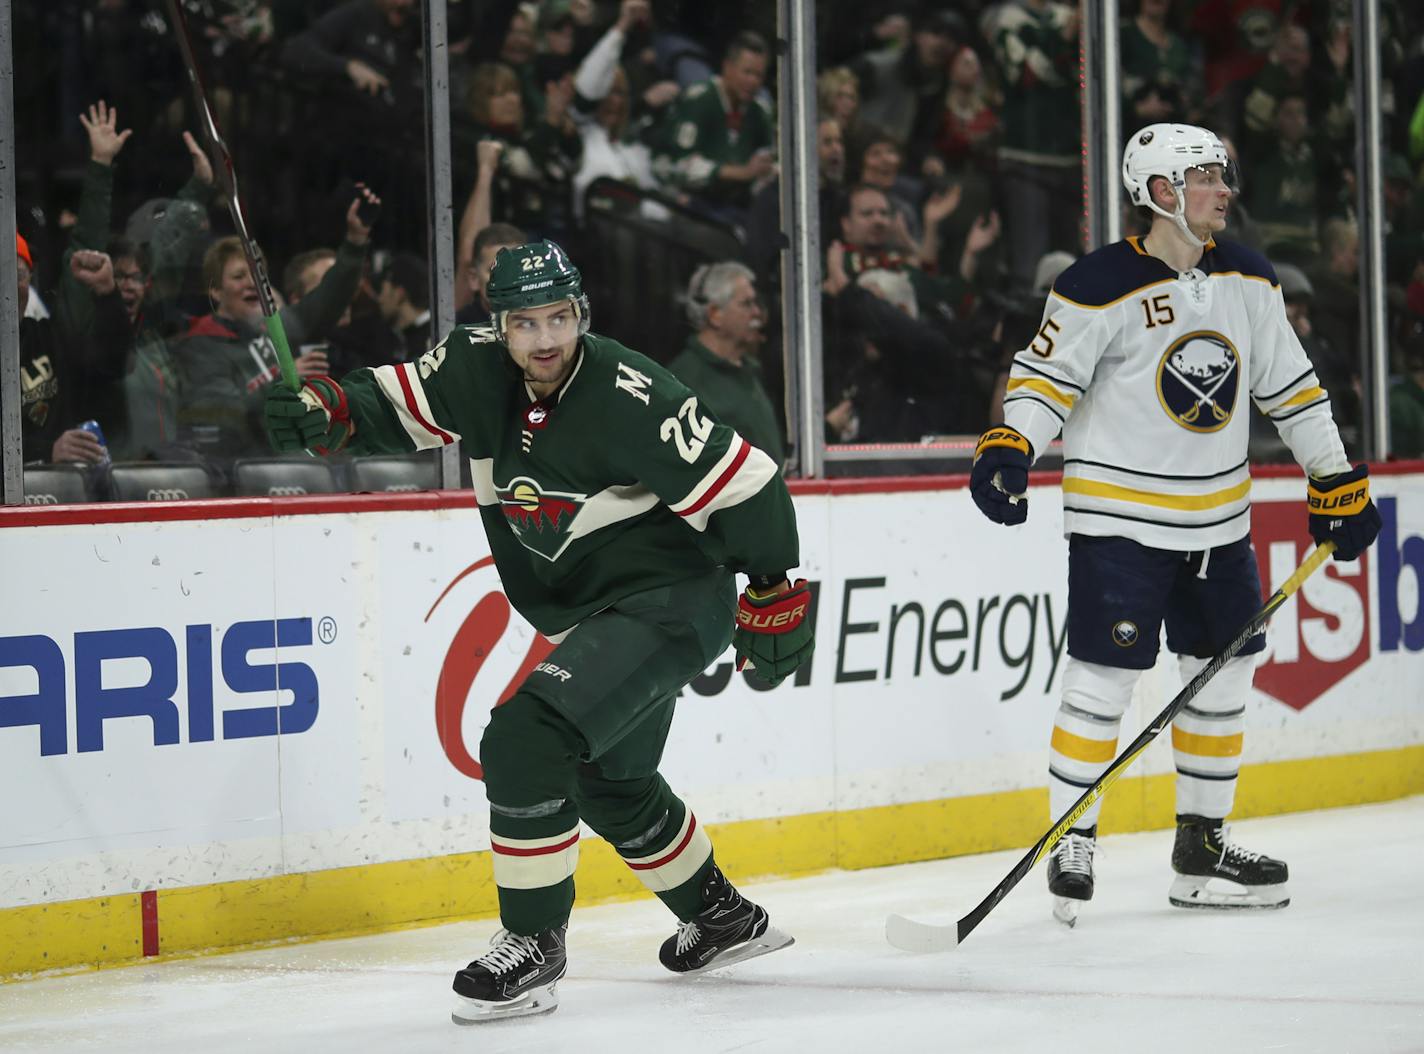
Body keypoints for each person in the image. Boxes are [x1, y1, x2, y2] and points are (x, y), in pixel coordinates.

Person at [262, 239, 814, 1022]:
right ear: (500, 327)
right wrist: (325, 410)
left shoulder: (631, 391)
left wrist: (771, 584)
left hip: (674, 601)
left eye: (561, 318)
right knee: (607, 781)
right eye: (527, 324)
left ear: (581, 313)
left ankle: (532, 943)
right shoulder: (471, 367)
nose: (547, 338)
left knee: (526, 738)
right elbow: (386, 404)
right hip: (605, 609)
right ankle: (720, 916)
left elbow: (749, 481)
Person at [968, 124, 1382, 924]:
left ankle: (1201, 851)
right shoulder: (1098, 282)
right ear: (1161, 191)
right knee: (1102, 680)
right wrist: (1014, 442)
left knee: (1223, 678)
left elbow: (1292, 391)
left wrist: (1335, 480)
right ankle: (1072, 836)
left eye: (1222, 177)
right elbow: (1045, 377)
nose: (1224, 190)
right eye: (1206, 178)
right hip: (1119, 522)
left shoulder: (1249, 281)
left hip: (1219, 525)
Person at [176, 187, 378, 463]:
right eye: (238, 276)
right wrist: (280, 381)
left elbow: (327, 300)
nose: (251, 283)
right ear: (216, 291)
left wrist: (356, 240)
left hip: (297, 466)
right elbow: (221, 412)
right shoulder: (200, 345)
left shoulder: (276, 328)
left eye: (257, 276)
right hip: (237, 476)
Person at [667, 262, 784, 465]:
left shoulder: (750, 370)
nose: (757, 312)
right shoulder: (683, 382)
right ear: (715, 314)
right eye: (746, 304)